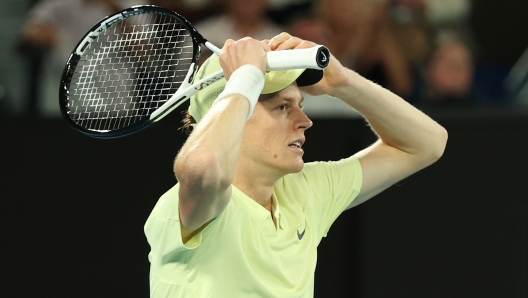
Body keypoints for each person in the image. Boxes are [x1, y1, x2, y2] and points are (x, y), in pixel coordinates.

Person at [144, 33, 448, 297]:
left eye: (299, 105)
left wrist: (344, 83)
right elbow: (204, 161)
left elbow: (426, 144)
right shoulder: (193, 203)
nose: (304, 121)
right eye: (282, 107)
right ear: (233, 114)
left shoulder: (305, 192)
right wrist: (245, 77)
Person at [17, 0, 145, 117]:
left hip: (114, 102)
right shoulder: (55, 4)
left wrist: (117, 12)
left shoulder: (134, 4)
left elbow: (144, 53)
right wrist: (39, 37)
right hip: (61, 102)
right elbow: (23, 43)